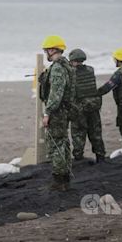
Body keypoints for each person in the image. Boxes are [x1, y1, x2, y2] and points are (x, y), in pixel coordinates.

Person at [39, 35, 75, 191]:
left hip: (57, 112)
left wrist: (47, 113)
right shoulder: (65, 65)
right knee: (63, 143)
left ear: (52, 49)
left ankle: (59, 182)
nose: (46, 52)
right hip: (64, 110)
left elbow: (56, 94)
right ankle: (65, 179)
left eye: (47, 50)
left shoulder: (58, 68)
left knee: (56, 146)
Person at [68, 48, 106, 163]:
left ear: (73, 60)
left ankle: (79, 158)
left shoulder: (70, 72)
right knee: (96, 133)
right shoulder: (90, 69)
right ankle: (101, 157)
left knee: (78, 133)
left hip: (79, 108)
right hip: (93, 105)